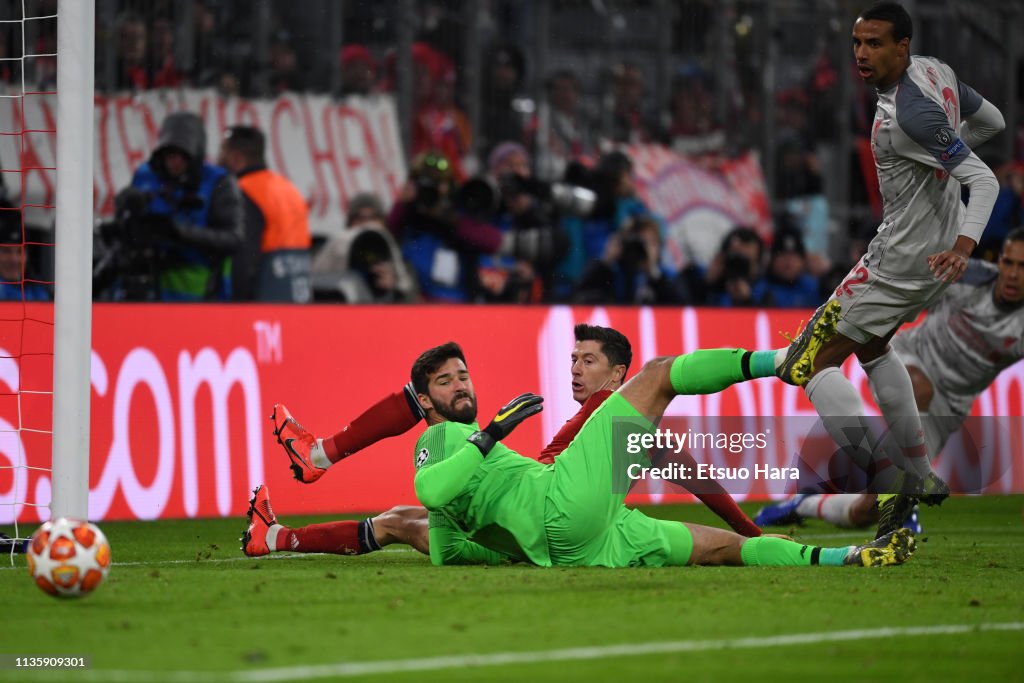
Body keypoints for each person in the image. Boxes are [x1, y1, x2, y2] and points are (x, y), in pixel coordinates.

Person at [774, 1, 1005, 539]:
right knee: (875, 348)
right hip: (929, 259)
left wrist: (966, 243)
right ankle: (920, 474)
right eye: (857, 42)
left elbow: (985, 180)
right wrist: (944, 160)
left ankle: (888, 480)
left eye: (875, 43)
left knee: (805, 367)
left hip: (897, 262)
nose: (861, 53)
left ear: (902, 46)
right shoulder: (938, 72)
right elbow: (991, 122)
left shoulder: (909, 112)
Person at [242, 325, 763, 558]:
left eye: (589, 362)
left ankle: (318, 457)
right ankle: (280, 534)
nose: (575, 370)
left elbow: (687, 469)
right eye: (573, 359)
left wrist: (748, 529)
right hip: (522, 502)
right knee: (401, 515)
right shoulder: (596, 419)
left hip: (534, 516)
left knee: (429, 407)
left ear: (619, 374)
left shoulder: (616, 414)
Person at [392, 343, 912, 567]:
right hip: (563, 500)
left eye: (463, 374)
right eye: (446, 380)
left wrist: (517, 546)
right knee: (662, 373)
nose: (461, 385)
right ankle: (784, 360)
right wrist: (493, 432)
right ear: (425, 401)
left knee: (725, 550)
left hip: (584, 544)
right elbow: (430, 489)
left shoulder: (454, 465)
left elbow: (448, 551)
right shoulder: (443, 440)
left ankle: (848, 556)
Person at [758, 229, 1024, 530]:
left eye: (1022, 267)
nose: (1013, 274)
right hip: (908, 358)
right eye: (1008, 262)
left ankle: (803, 504)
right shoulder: (969, 275)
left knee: (865, 511)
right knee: (918, 388)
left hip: (948, 407)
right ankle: (907, 485)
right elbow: (909, 284)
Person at [110, 111, 244, 301]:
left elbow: (233, 239)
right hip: (143, 291)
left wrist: (178, 232)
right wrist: (125, 209)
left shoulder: (218, 182)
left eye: (183, 155)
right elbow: (124, 228)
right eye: (170, 154)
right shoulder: (145, 176)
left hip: (199, 296)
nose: (176, 161)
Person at [217, 125, 312, 303]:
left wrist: (236, 307)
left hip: (264, 304)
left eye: (222, 151)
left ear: (236, 157)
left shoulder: (244, 191)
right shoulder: (288, 188)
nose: (217, 159)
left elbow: (244, 259)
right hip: (298, 297)